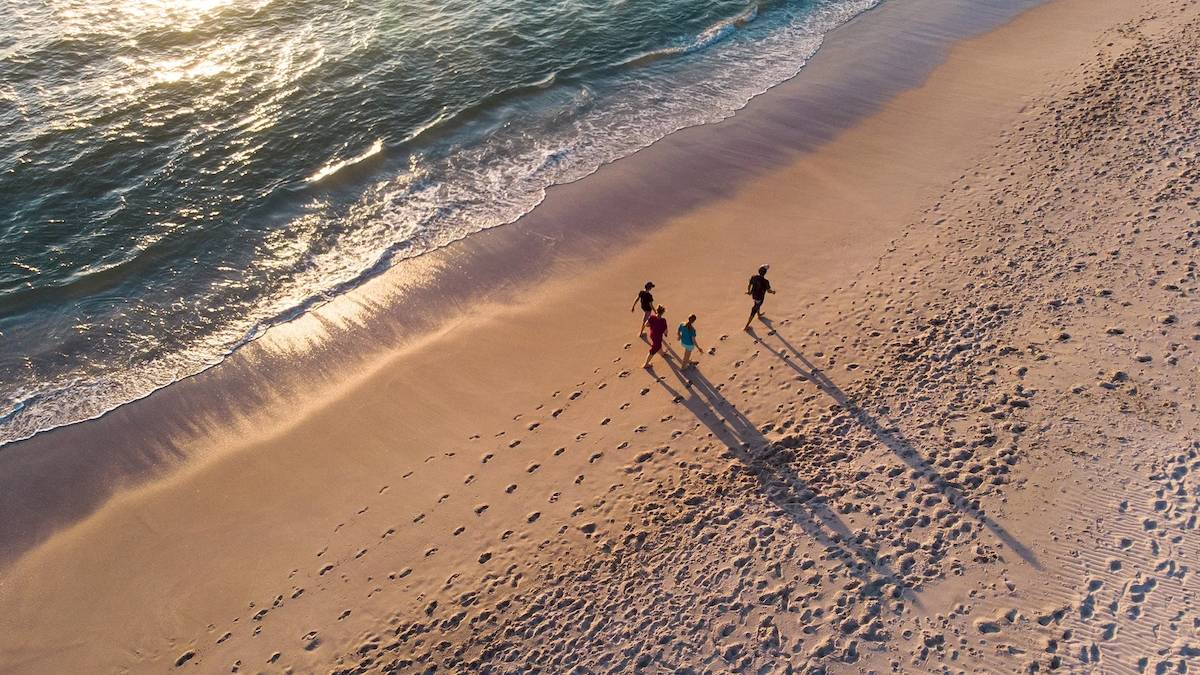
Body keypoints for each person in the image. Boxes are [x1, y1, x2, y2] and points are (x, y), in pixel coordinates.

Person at [744, 264, 775, 330]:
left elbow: (749, 285)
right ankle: (746, 326)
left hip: (754, 296)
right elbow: (768, 291)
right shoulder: (766, 281)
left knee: (756, 304)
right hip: (760, 298)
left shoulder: (753, 277)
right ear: (765, 273)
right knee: (754, 310)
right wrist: (773, 292)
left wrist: (749, 292)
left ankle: (759, 314)